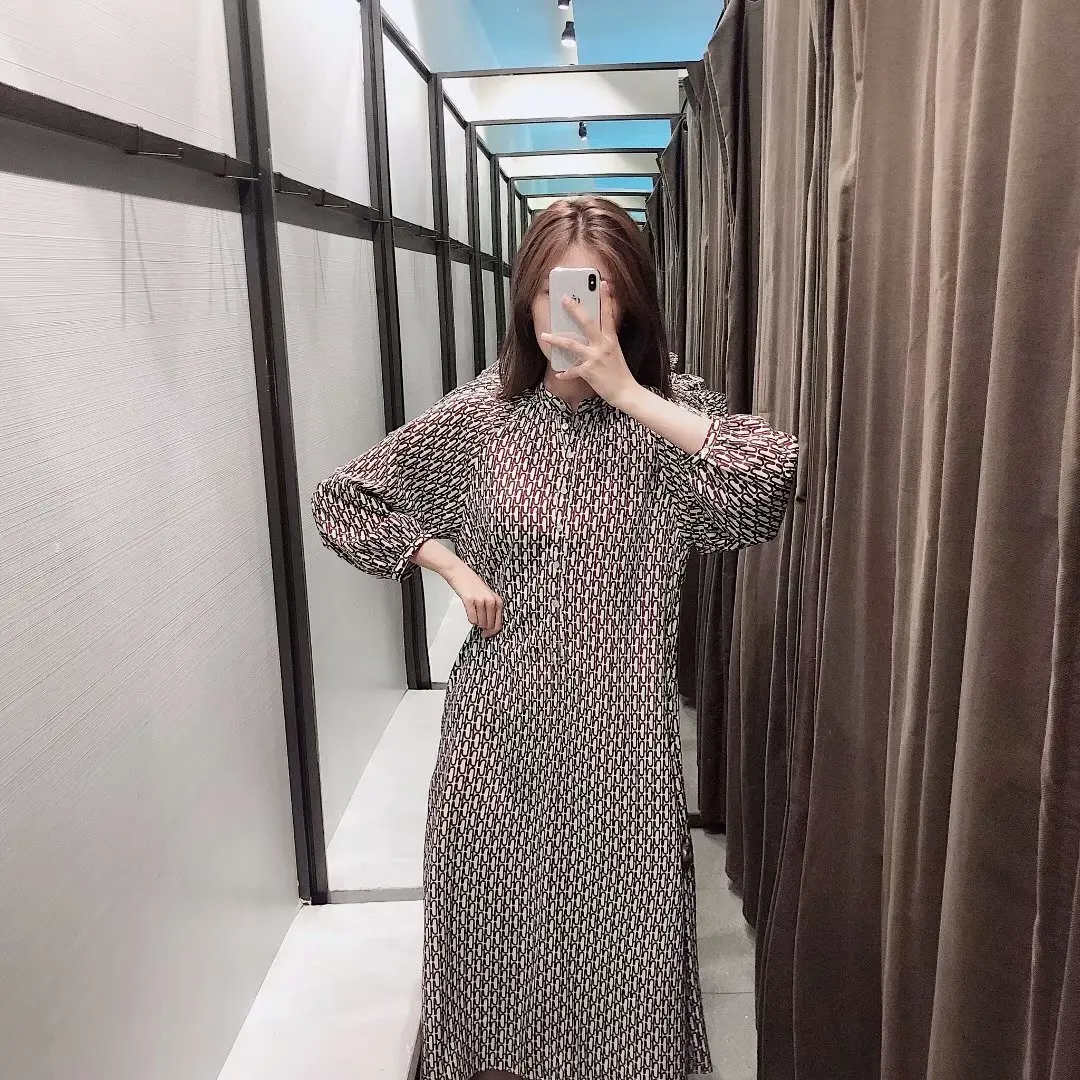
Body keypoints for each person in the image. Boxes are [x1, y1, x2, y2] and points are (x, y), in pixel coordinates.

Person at [311, 196, 798, 1080]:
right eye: (551, 291)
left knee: (627, 966)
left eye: (591, 292)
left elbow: (768, 482)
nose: (567, 313)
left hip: (622, 751)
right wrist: (445, 561)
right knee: (495, 956)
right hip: (498, 743)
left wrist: (628, 393)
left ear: (628, 303)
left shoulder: (664, 418)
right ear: (524, 299)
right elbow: (344, 500)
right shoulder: (482, 418)